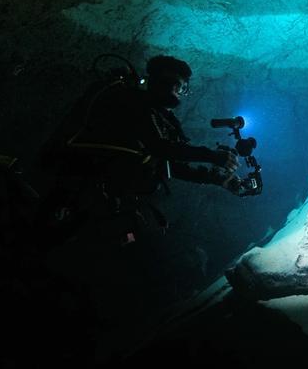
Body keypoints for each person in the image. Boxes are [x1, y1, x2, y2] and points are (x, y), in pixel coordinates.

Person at [40, 54, 246, 241]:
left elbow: (171, 165)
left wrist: (218, 178)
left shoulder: (162, 119)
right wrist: (211, 156)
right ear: (154, 81)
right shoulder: (132, 102)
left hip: (108, 195)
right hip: (78, 187)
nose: (176, 90)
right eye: (171, 83)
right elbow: (160, 148)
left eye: (181, 87)